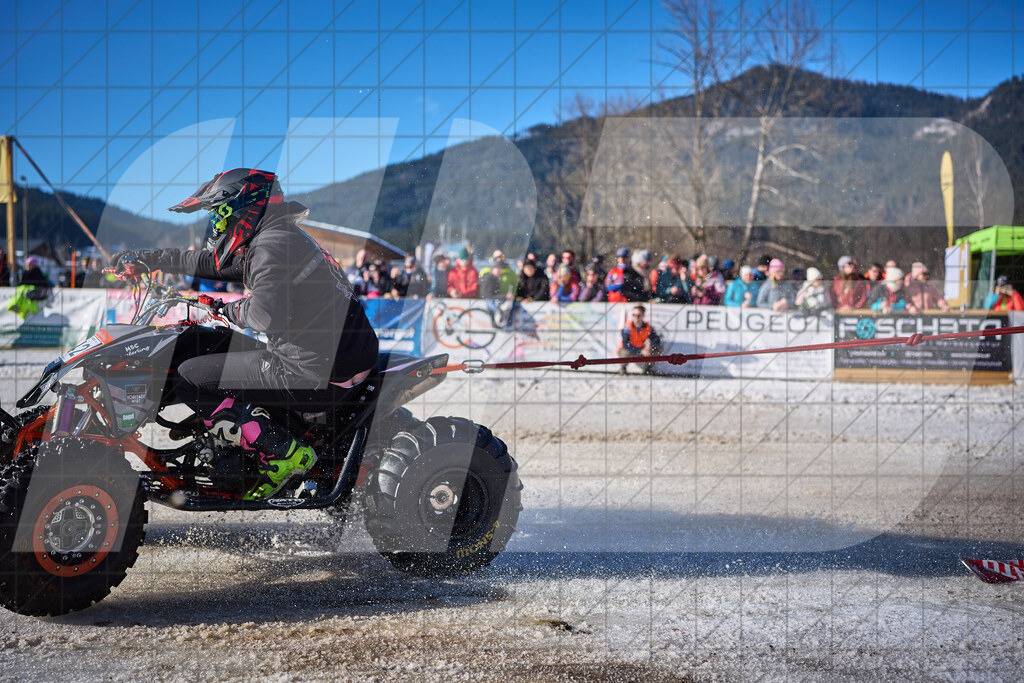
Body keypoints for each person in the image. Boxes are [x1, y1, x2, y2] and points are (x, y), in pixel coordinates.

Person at [111, 168, 379, 501]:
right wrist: (149, 260)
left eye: (220, 215)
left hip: (314, 372)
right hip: (332, 360)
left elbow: (264, 314)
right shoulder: (280, 237)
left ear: (245, 208)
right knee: (213, 344)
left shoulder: (269, 246)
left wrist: (226, 310)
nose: (217, 226)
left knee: (189, 377)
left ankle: (281, 453)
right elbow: (209, 262)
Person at [618, 305, 661, 375]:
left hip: (641, 350)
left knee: (656, 349)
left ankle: (648, 370)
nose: (636, 318)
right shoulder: (627, 327)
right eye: (634, 315)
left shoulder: (648, 327)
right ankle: (623, 368)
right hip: (630, 350)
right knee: (624, 352)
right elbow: (626, 344)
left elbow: (656, 339)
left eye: (638, 315)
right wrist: (640, 350)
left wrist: (649, 346)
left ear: (643, 316)